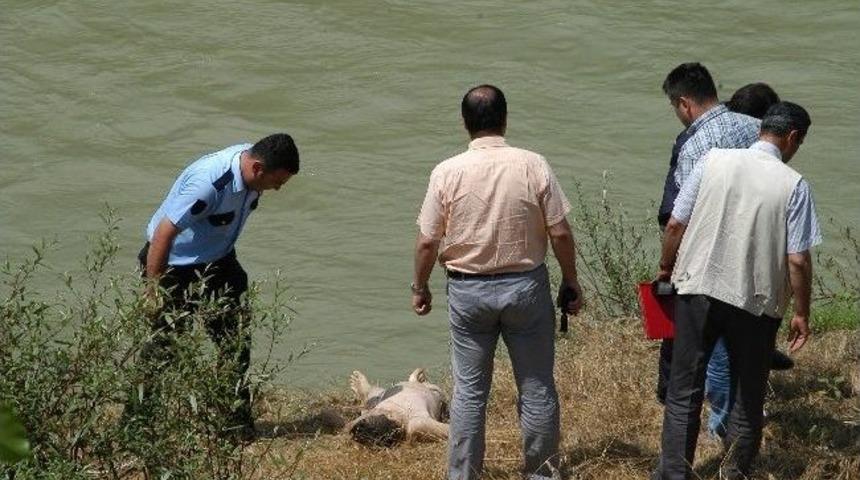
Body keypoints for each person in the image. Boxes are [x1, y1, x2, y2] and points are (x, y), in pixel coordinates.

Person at [412, 84, 582, 480]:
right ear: (505, 119)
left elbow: (426, 241)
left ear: (464, 123)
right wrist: (571, 280)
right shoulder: (533, 164)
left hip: (468, 291)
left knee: (470, 393)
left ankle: (463, 474)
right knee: (537, 387)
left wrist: (420, 287)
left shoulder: (446, 171)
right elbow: (560, 233)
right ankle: (540, 473)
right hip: (526, 288)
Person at [652, 102, 820, 479]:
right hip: (755, 304)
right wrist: (801, 312)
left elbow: (676, 223)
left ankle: (674, 474)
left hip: (697, 288)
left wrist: (665, 268)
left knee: (684, 392)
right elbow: (797, 260)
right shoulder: (794, 185)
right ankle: (733, 473)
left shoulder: (713, 160)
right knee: (748, 393)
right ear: (792, 138)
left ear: (762, 129)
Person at [132, 133, 299, 436]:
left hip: (218, 262)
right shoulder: (210, 184)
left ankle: (232, 424)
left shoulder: (252, 166)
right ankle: (137, 426)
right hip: (174, 267)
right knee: (163, 352)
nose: (276, 189)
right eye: (277, 182)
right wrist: (153, 291)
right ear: (258, 169)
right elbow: (162, 234)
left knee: (236, 345)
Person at [654, 63, 760, 436]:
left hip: (709, 261)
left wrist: (667, 267)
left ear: (684, 104)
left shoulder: (694, 146)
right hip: (753, 254)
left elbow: (678, 219)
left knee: (712, 350)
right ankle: (743, 423)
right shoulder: (754, 129)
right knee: (744, 345)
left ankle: (719, 425)